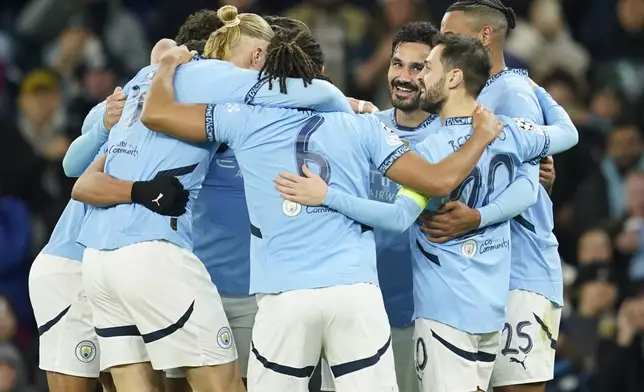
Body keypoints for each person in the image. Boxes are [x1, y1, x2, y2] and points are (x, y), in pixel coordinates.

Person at [139, 29, 503, 391]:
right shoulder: (362, 127)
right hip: (353, 294)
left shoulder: (241, 120)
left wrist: (168, 63)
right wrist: (481, 136)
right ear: (322, 71)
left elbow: (155, 113)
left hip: (284, 297)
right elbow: (438, 181)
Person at [68, 6, 358, 392]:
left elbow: (80, 170)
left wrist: (167, 57)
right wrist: (352, 112)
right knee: (223, 384)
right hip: (153, 249)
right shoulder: (223, 77)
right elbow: (316, 91)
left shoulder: (145, 77)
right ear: (257, 55)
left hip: (98, 258)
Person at [273, 33, 578, 392]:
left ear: (452, 77)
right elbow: (558, 146)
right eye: (399, 64)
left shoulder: (432, 151)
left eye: (425, 68)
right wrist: (533, 87)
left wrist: (328, 196)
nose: (415, 78)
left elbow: (400, 216)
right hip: (487, 311)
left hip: (441, 311)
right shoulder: (507, 131)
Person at [27, 45, 190, 392]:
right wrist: (103, 124)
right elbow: (73, 169)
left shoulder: (185, 120)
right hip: (71, 262)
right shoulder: (124, 113)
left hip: (118, 266)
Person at [418, 2, 563, 391]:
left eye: (450, 34)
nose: (440, 42)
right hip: (488, 274)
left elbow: (531, 181)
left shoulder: (512, 92)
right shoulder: (472, 97)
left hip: (522, 268)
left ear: (484, 36)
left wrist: (478, 215)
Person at [320, 20, 440, 392]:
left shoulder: (452, 139)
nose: (403, 77)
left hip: (415, 312)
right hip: (348, 304)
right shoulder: (359, 126)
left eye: (417, 68)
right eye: (397, 64)